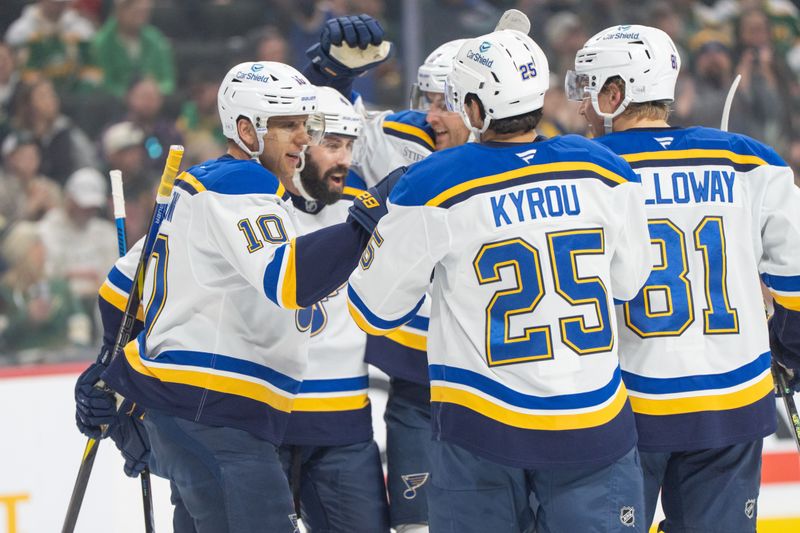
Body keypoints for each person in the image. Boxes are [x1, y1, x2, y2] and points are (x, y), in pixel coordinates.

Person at [347, 29, 653, 533]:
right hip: (594, 426)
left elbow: (372, 308)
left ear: (471, 106)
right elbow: (629, 282)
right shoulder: (603, 168)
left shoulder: (435, 182)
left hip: (480, 434)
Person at [73, 61, 395, 532]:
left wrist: (106, 368)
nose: (303, 139)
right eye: (287, 126)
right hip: (214, 413)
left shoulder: (208, 191)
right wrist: (369, 213)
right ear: (245, 129)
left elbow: (121, 287)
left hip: (198, 417)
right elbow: (291, 282)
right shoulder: (239, 185)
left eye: (305, 125)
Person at [567, 24, 800, 532]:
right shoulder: (749, 160)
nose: (581, 106)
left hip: (621, 409)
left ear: (615, 93)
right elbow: (797, 280)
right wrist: (790, 345)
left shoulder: (581, 171)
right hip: (729, 404)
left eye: (588, 90)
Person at [304, 17, 473, 531]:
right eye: (428, 98)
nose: (430, 114)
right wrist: (332, 73)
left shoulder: (531, 163)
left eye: (444, 101)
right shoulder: (402, 138)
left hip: (497, 378)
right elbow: (317, 125)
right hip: (417, 382)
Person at [277, 86, 389, 533]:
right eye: (332, 144)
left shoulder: (365, 207)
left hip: (344, 430)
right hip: (263, 427)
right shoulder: (249, 205)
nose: (344, 159)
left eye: (349, 145)